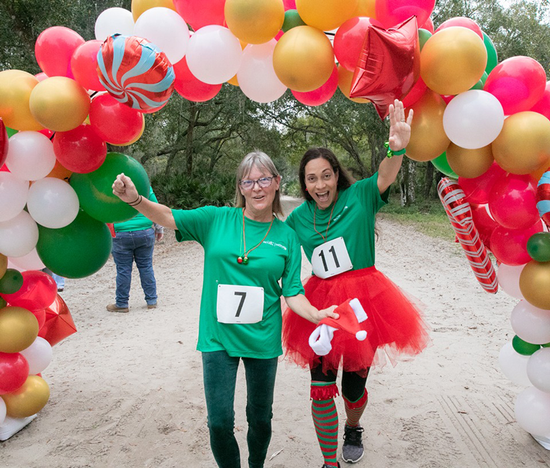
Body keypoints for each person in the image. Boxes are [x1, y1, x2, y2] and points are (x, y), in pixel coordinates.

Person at [111, 151, 338, 468]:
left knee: (260, 419)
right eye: (248, 181)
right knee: (219, 421)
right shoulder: (216, 220)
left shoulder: (287, 237)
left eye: (262, 180)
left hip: (262, 339)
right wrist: (136, 200)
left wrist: (315, 314)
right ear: (241, 187)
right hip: (217, 337)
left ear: (276, 183)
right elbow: (167, 216)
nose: (256, 188)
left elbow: (293, 291)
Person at [282, 100, 430, 467]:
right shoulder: (297, 219)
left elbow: (386, 173)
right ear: (304, 183)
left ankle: (353, 426)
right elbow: (276, 253)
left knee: (352, 389)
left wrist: (397, 146)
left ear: (337, 175)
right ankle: (329, 462)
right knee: (320, 389)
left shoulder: (361, 196)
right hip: (320, 304)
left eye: (326, 175)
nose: (320, 184)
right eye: (311, 178)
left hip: (366, 301)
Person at [107, 186, 163, 313]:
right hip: (144, 231)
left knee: (123, 270)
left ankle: (122, 303)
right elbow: (155, 207)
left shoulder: (112, 186)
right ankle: (151, 301)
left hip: (120, 233)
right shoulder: (142, 182)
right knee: (146, 266)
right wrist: (159, 228)